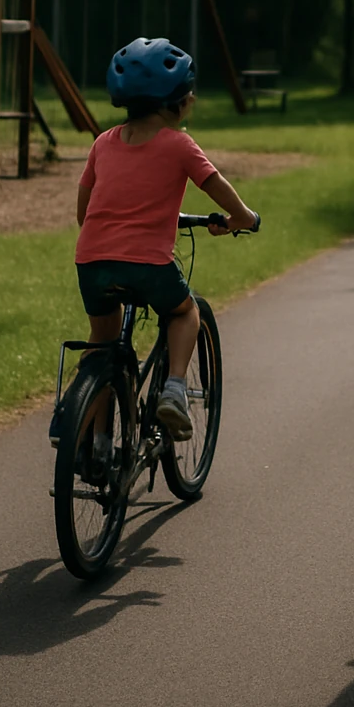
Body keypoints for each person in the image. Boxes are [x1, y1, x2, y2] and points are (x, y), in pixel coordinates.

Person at [61, 37, 258, 445]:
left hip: (93, 261)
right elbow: (218, 188)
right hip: (149, 265)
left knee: (103, 341)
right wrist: (244, 218)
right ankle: (174, 389)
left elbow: (86, 212)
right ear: (176, 102)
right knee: (184, 312)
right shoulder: (180, 145)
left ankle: (91, 437)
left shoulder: (102, 143)